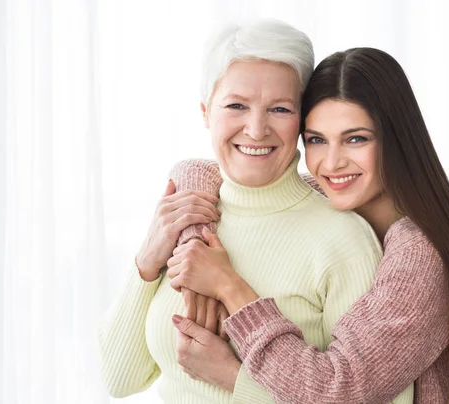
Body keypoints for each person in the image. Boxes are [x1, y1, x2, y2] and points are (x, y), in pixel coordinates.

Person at [168, 48, 449, 404]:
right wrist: (194, 235)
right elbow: (201, 169)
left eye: (356, 138)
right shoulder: (328, 192)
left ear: (396, 140)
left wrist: (229, 293)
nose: (332, 163)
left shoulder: (420, 254)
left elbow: (339, 388)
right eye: (317, 140)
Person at [97, 22, 414, 404]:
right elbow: (119, 379)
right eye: (236, 106)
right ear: (205, 112)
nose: (256, 128)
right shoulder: (187, 220)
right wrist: (146, 263)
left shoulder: (342, 239)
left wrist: (238, 380)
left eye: (279, 109)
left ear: (301, 120)